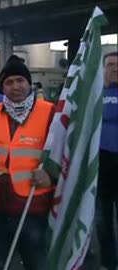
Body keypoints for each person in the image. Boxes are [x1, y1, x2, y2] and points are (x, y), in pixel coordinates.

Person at [0, 55, 55, 270]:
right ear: (2, 87)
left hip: (31, 206)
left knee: (37, 262)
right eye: (9, 82)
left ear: (29, 83)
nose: (16, 86)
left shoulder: (48, 112)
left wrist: (51, 175)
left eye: (20, 80)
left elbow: (64, 152)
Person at [96, 51, 118, 270]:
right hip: (101, 168)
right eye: (110, 64)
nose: (115, 68)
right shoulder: (94, 95)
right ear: (103, 69)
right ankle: (107, 263)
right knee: (102, 223)